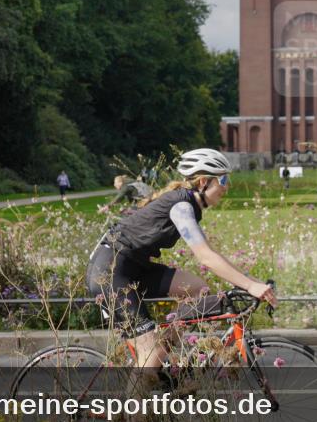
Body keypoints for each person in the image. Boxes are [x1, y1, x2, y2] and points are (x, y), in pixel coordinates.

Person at [86, 148, 277, 376]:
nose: (227, 187)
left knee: (198, 289)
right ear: (204, 181)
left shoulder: (189, 205)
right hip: (110, 272)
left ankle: (165, 360)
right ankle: (132, 410)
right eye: (223, 180)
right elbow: (205, 256)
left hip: (134, 268)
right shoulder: (182, 207)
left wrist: (249, 281)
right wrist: (250, 286)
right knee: (150, 351)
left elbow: (213, 254)